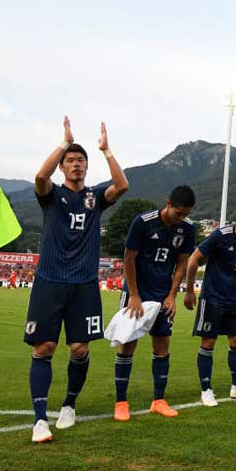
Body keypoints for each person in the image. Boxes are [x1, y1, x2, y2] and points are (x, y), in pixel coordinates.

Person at [25, 117, 129, 443]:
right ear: (62, 167)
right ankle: (40, 420)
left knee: (80, 349)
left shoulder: (95, 198)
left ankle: (69, 404)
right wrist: (64, 142)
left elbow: (122, 185)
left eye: (81, 161)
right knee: (44, 347)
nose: (76, 165)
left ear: (87, 166)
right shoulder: (51, 195)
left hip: (84, 283)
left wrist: (106, 149)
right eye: (70, 161)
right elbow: (40, 176)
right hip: (49, 281)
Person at [112, 185, 196, 422]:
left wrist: (172, 296)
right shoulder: (143, 222)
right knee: (128, 343)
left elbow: (181, 264)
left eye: (185, 214)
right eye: (178, 212)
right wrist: (134, 294)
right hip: (138, 290)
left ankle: (158, 400)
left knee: (162, 344)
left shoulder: (187, 228)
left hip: (163, 293)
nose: (181, 217)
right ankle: (121, 402)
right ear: (167, 203)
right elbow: (129, 257)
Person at [183, 215, 236, 406]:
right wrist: (189, 291)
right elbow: (194, 259)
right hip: (212, 297)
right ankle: (206, 391)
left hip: (232, 300)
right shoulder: (220, 236)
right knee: (208, 342)